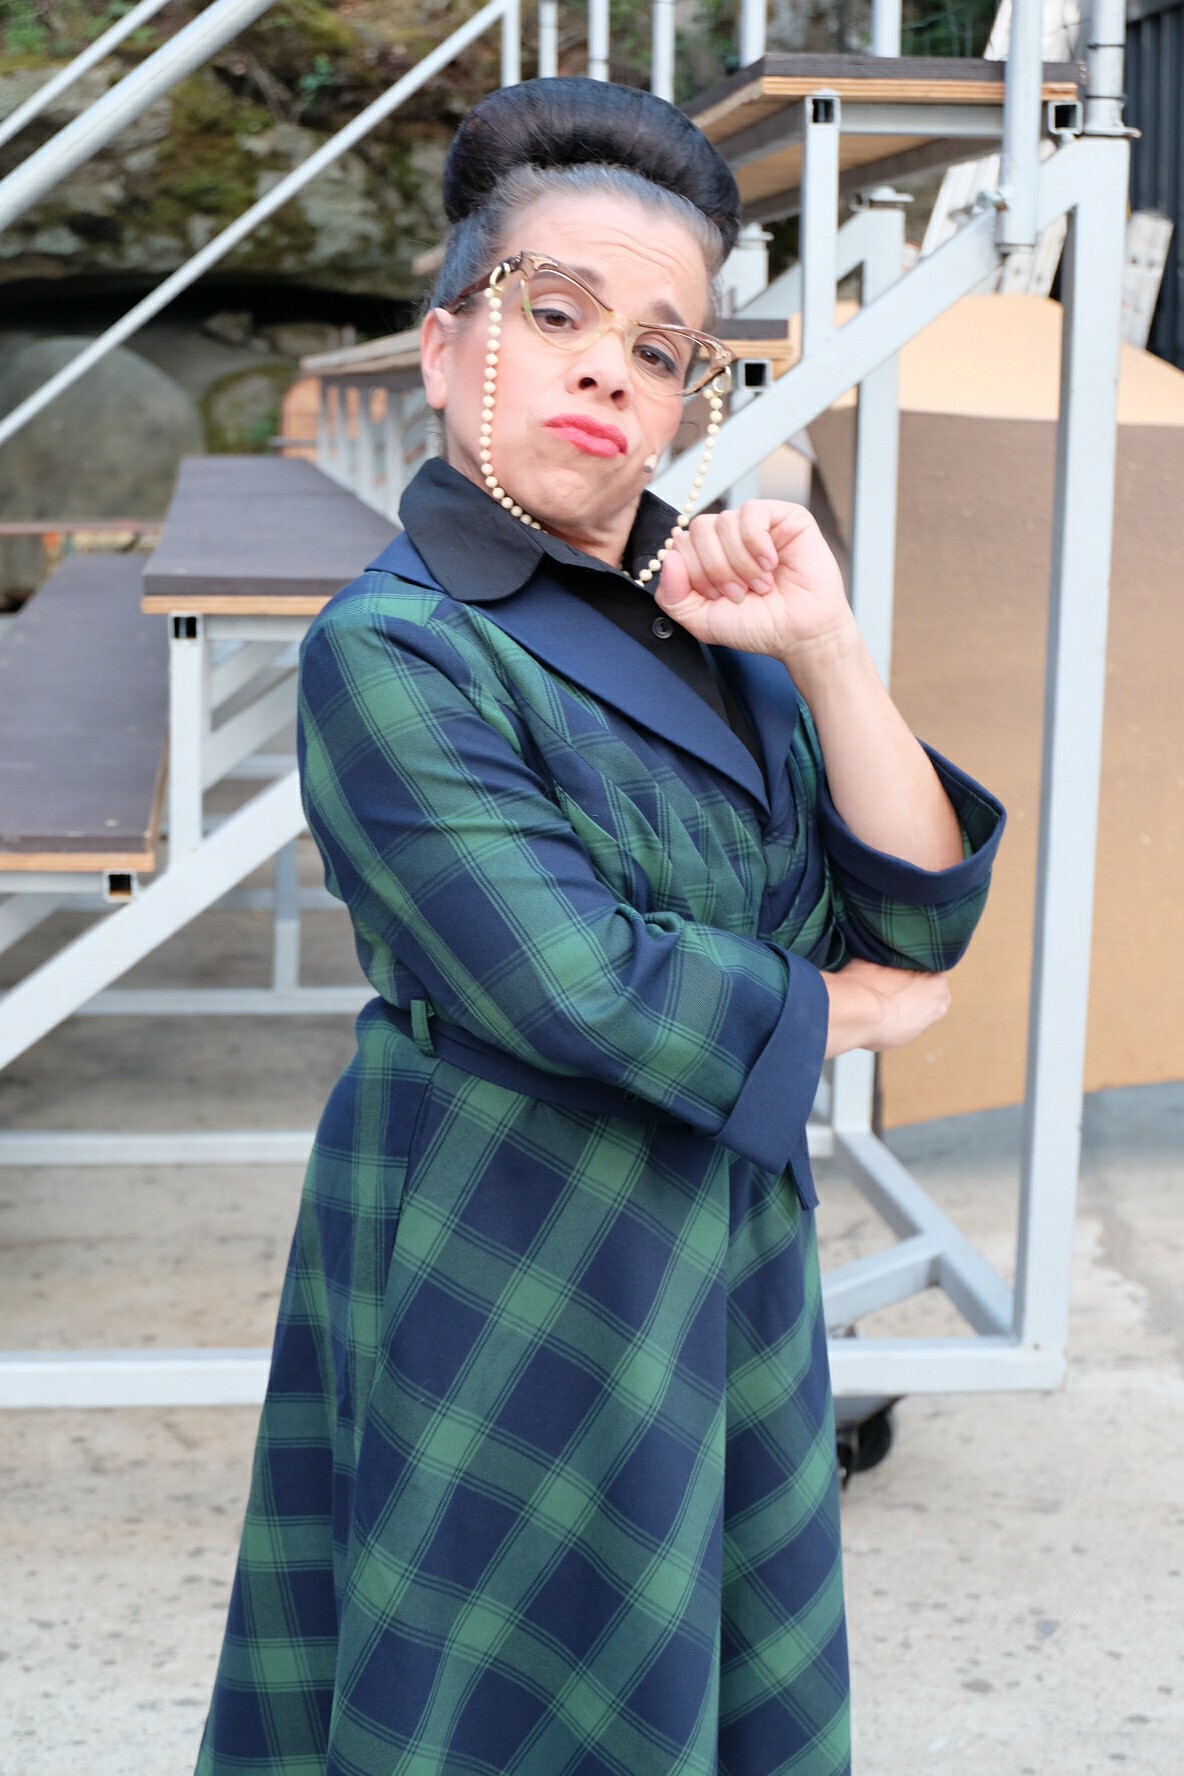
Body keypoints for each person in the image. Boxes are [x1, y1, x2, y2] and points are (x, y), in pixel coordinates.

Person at [196, 77, 1003, 1776]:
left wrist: (825, 649)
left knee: (702, 1683)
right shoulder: (395, 646)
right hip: (506, 1233)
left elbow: (913, 909)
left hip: (718, 1231)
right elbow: (570, 979)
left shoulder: (707, 611)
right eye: (555, 313)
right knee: (495, 1702)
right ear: (442, 351)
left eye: (658, 346)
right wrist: (844, 1013)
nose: (608, 372)